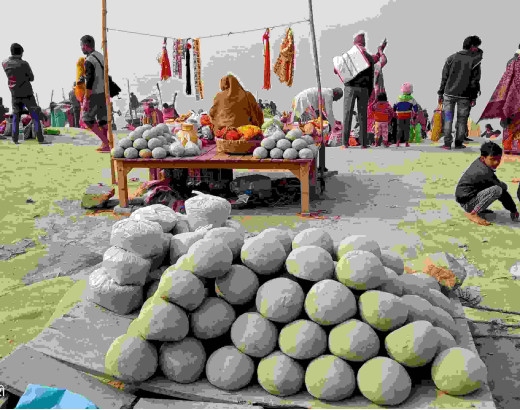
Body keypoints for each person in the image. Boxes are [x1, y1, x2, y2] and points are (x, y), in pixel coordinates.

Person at [455, 141, 519, 226]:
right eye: (492, 159)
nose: (496, 162)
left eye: (498, 159)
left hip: (467, 198)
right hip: (467, 202)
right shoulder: (484, 172)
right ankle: (473, 214)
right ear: (483, 158)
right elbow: (502, 192)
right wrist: (513, 210)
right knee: (497, 189)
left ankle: (478, 209)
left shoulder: (480, 162)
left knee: (499, 187)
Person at [341, 32, 386, 149]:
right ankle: (364, 143)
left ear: (354, 43)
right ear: (364, 43)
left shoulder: (347, 56)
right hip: (364, 89)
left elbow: (339, 70)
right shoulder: (369, 58)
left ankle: (345, 143)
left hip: (350, 88)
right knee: (363, 116)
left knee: (347, 114)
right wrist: (370, 91)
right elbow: (371, 77)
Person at [438, 35, 483, 150]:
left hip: (448, 95)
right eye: (477, 46)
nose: (478, 49)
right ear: (472, 46)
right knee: (462, 120)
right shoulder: (475, 61)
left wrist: (440, 93)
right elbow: (475, 81)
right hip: (465, 96)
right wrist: (473, 98)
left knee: (448, 118)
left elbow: (444, 77)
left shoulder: (450, 58)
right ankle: (458, 143)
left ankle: (447, 144)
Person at [2, 43, 50, 144]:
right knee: (35, 116)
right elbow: (32, 78)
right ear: (20, 53)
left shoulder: (4, 63)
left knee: (16, 116)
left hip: (14, 93)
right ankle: (40, 139)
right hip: (27, 94)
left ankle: (15, 139)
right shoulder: (24, 64)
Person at [480, 43, 520, 155]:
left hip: (509, 97)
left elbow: (506, 81)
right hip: (516, 96)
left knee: (509, 120)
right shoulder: (514, 62)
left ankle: (508, 147)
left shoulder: (510, 61)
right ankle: (516, 147)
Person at [80, 34, 111, 152]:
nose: (81, 48)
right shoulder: (101, 56)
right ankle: (105, 145)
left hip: (94, 93)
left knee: (87, 119)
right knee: (102, 119)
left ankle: (106, 142)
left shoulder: (89, 60)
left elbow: (90, 81)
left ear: (85, 45)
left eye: (81, 45)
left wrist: (86, 100)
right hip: (104, 91)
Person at [367, 50, 388, 146]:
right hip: (378, 93)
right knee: (381, 114)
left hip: (369, 95)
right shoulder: (377, 66)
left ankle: (372, 139)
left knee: (371, 115)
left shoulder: (366, 68)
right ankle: (382, 139)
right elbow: (384, 60)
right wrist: (381, 51)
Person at [393, 83, 418, 147]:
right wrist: (415, 113)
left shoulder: (398, 98)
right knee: (407, 129)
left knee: (399, 128)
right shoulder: (412, 99)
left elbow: (394, 107)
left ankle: (398, 142)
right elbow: (415, 107)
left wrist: (394, 112)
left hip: (399, 116)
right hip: (407, 115)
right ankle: (406, 143)